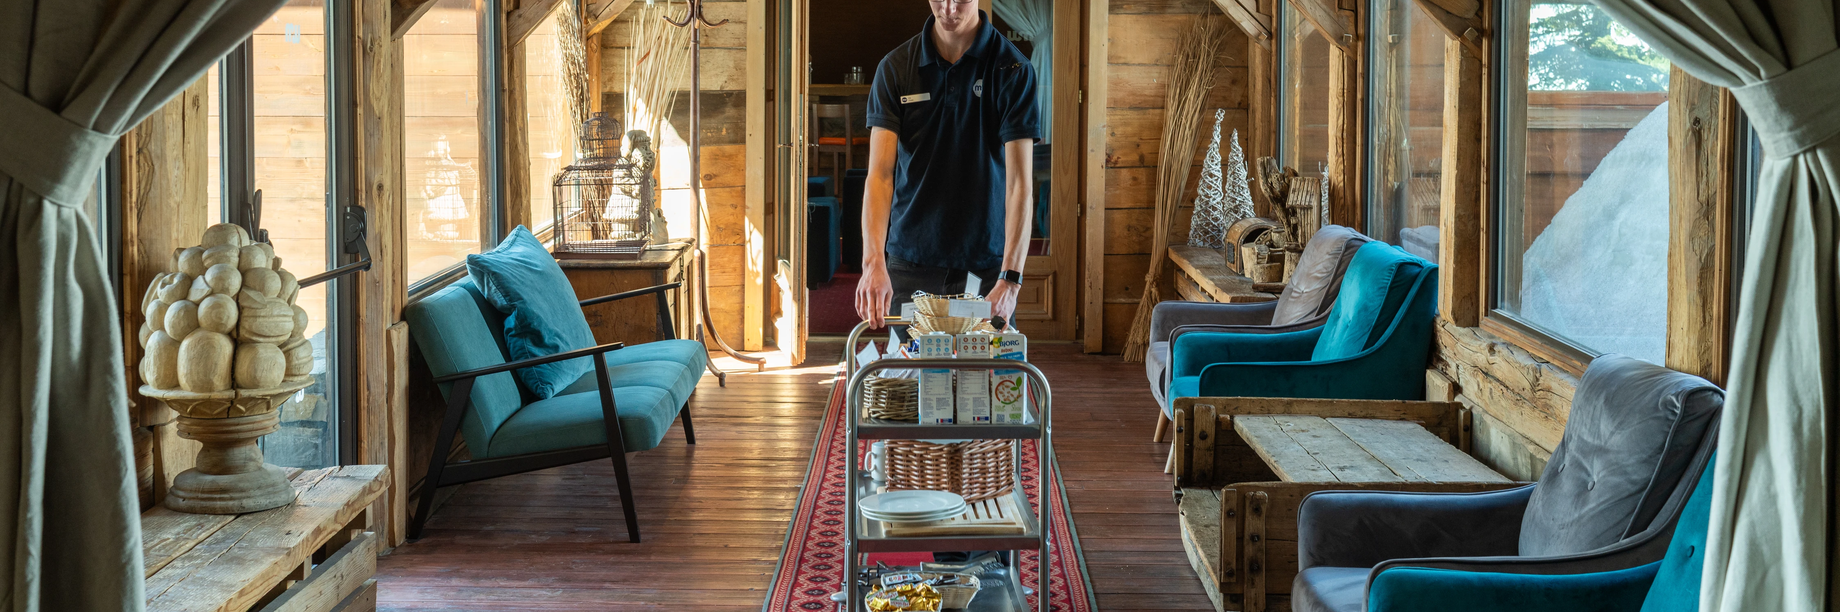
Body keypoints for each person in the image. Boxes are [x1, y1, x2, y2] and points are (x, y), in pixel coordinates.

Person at [853, 0, 1039, 331]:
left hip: (985, 266)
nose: (949, 9)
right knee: (913, 380)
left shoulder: (1013, 70)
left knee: (981, 382)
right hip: (910, 260)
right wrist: (873, 262)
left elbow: (1020, 184)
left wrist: (1010, 280)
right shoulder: (896, 67)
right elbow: (880, 176)